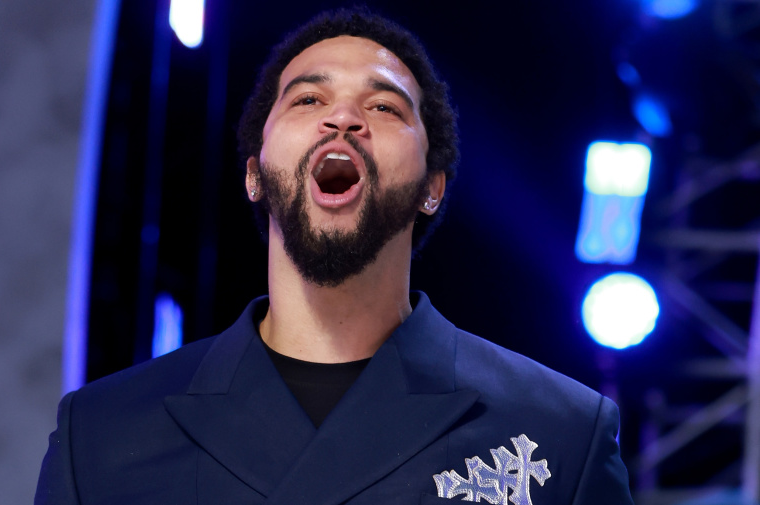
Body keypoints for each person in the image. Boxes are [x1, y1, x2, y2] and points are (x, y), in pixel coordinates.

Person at [35, 8, 634, 505]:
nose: (342, 117)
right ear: (255, 174)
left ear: (433, 186)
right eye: (306, 100)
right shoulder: (102, 436)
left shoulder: (561, 434)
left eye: (384, 107)